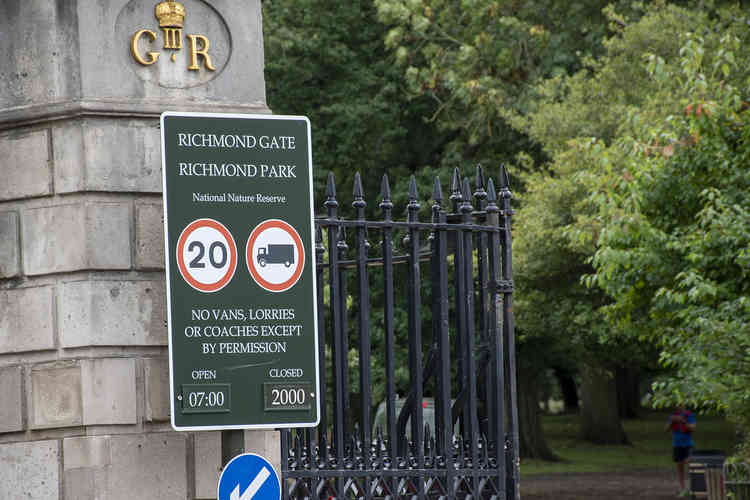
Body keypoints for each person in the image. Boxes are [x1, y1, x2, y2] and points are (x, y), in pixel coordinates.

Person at [665, 405, 696, 497]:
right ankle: (682, 489)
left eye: (680, 404)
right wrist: (672, 421)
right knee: (680, 467)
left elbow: (693, 428)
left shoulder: (689, 415)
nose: (678, 406)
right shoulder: (672, 416)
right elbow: (665, 429)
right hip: (677, 445)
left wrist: (683, 421)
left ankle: (694, 487)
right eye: (676, 404)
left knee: (692, 465)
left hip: (688, 445)